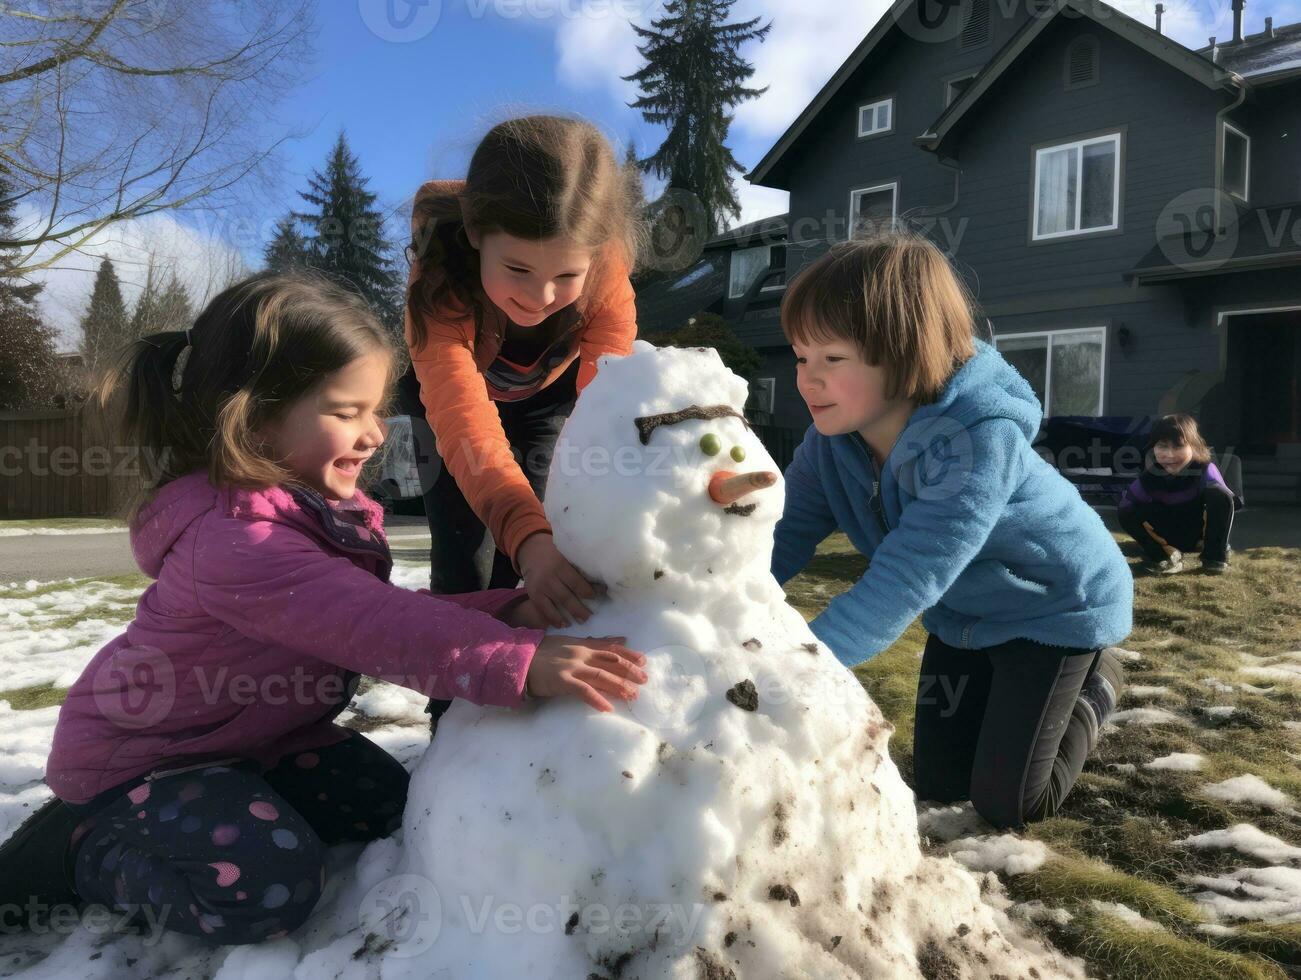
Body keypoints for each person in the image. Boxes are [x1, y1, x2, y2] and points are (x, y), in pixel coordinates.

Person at [0, 273, 647, 944]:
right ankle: (84, 850)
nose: (373, 435)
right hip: (147, 763)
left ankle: (238, 799)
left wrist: (509, 610)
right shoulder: (236, 541)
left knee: (386, 805)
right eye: (346, 411)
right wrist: (517, 660)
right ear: (252, 415)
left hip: (256, 741)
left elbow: (373, 608)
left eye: (375, 410)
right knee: (264, 884)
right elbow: (371, 625)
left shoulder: (307, 515)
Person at [770, 233, 1133, 830]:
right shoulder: (827, 444)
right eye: (801, 357)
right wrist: (715, 610)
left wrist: (804, 665)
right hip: (964, 619)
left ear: (905, 353)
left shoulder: (975, 439)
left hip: (1055, 613)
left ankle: (1098, 680)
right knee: (940, 781)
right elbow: (780, 538)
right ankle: (1017, 699)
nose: (807, 381)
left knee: (1009, 803)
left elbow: (908, 573)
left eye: (832, 360)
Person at [402, 114, 643, 628]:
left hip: (544, 403)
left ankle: (517, 690)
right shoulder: (439, 276)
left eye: (566, 275)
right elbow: (465, 421)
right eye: (517, 269)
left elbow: (608, 411)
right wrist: (526, 533)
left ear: (595, 259)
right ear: (474, 231)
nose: (540, 297)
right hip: (448, 403)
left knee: (532, 551)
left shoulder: (609, 282)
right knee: (465, 559)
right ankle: (451, 703)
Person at [1118, 413, 1241, 575]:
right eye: (1162, 446)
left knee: (1218, 493)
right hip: (1167, 536)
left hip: (1200, 535)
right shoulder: (1149, 477)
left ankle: (1214, 557)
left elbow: (1227, 501)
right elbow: (1126, 508)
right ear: (1153, 448)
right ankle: (1163, 556)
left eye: (1178, 446)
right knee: (1126, 511)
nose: (1169, 454)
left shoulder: (1205, 470)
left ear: (1194, 446)